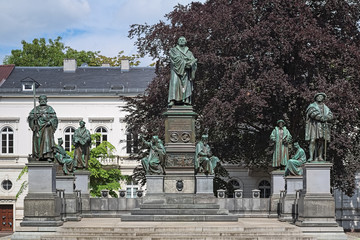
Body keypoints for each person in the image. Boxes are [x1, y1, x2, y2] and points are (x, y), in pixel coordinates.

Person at [168, 36, 197, 107]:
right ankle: (173, 100)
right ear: (177, 42)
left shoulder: (189, 52)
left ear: (186, 42)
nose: (181, 41)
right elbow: (175, 58)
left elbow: (193, 61)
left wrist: (191, 65)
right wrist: (186, 63)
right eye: (180, 39)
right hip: (175, 70)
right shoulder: (173, 50)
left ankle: (186, 100)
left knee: (186, 85)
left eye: (183, 40)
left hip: (186, 72)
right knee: (174, 83)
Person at [28, 95, 58, 161]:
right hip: (38, 128)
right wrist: (33, 118)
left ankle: (48, 156)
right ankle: (38, 156)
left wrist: (50, 122)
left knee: (47, 141)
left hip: (47, 128)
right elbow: (30, 117)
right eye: (41, 99)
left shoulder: (50, 109)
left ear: (46, 100)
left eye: (44, 99)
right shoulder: (35, 109)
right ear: (39, 101)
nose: (43, 100)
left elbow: (54, 118)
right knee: (37, 142)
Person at [305, 92, 333, 162]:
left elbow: (331, 115)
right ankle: (311, 157)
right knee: (312, 140)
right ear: (316, 98)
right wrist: (322, 118)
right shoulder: (312, 106)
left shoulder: (326, 108)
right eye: (318, 97)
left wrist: (327, 118)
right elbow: (312, 113)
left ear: (323, 98)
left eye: (321, 97)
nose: (319, 98)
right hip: (314, 125)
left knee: (321, 141)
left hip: (322, 126)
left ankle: (320, 156)